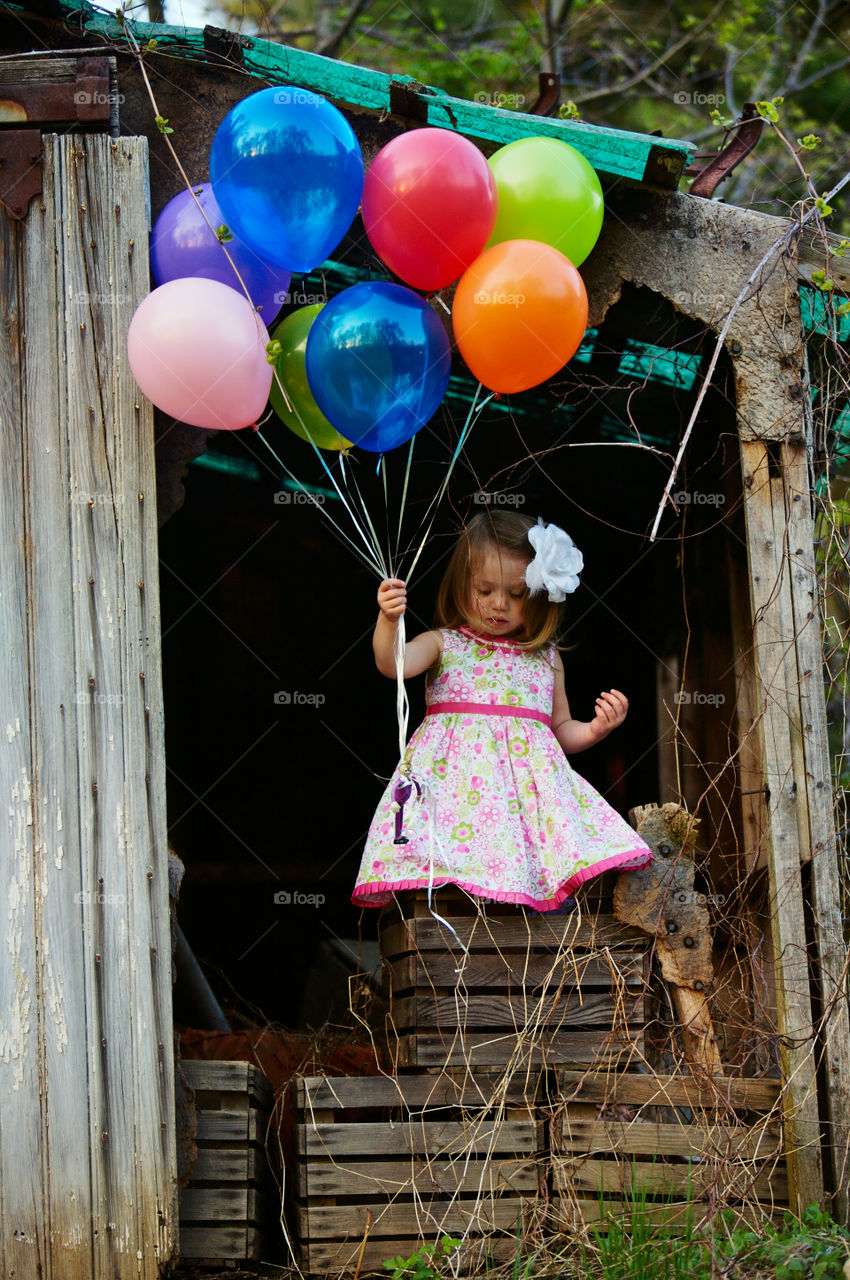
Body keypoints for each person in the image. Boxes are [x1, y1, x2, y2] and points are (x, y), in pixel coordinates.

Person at [351, 511, 653, 911]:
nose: (499, 604)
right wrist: (389, 620)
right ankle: (453, 927)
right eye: (485, 589)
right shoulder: (444, 643)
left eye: (515, 594)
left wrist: (596, 729)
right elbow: (394, 665)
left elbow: (561, 729)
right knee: (452, 884)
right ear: (463, 584)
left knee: (521, 880)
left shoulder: (545, 658)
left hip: (525, 810)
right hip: (456, 797)